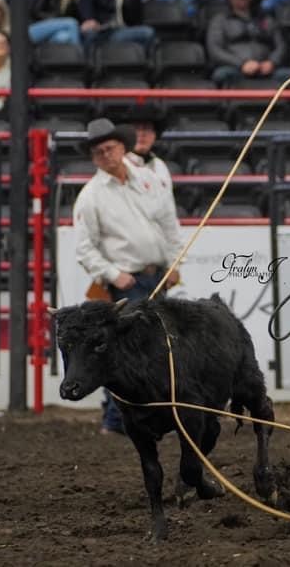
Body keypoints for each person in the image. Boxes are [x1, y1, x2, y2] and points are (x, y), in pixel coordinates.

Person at [73, 117, 182, 433]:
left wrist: (175, 263)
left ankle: (148, 417)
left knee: (157, 349)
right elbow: (84, 249)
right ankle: (117, 419)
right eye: (99, 152)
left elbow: (169, 223)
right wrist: (112, 274)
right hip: (127, 283)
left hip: (155, 276)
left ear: (122, 147)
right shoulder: (91, 195)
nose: (105, 155)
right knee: (127, 353)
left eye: (109, 148)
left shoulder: (148, 179)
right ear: (94, 158)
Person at [205, 0, 290, 87]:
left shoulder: (267, 18)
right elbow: (215, 50)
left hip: (269, 69)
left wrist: (272, 62)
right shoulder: (220, 21)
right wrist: (241, 64)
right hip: (234, 69)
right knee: (222, 75)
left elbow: (281, 44)